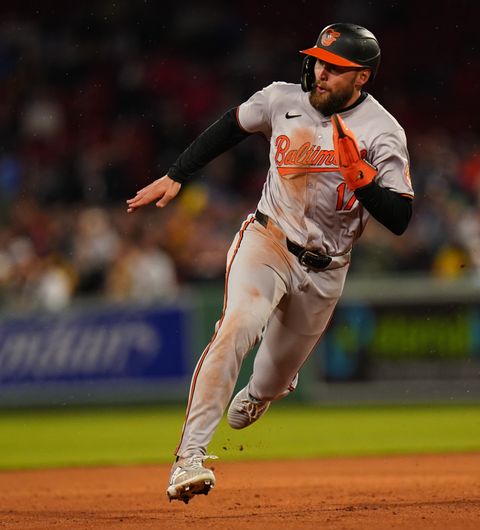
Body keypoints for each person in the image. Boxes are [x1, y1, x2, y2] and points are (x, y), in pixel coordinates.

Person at [127, 23, 414, 503]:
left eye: (336, 68)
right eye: (319, 61)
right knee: (238, 325)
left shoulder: (383, 130)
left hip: (328, 266)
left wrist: (363, 183)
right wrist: (178, 174)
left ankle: (266, 390)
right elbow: (229, 126)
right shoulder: (282, 99)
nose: (321, 73)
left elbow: (401, 217)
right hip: (268, 240)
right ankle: (188, 459)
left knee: (269, 380)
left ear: (361, 78)